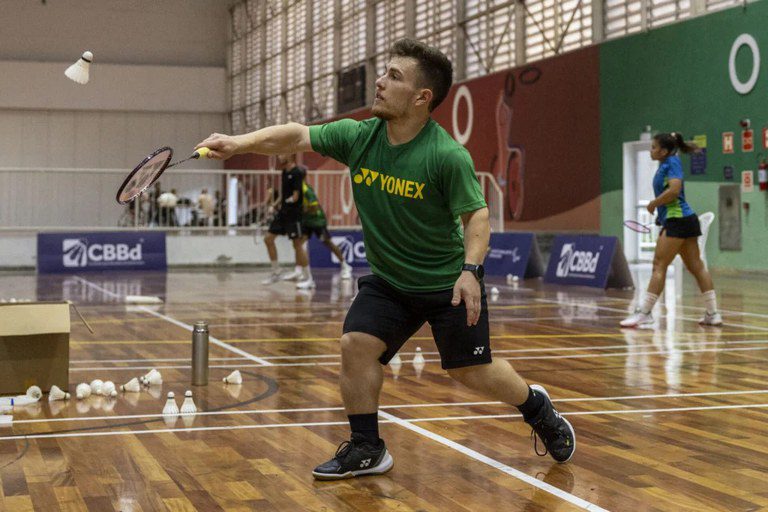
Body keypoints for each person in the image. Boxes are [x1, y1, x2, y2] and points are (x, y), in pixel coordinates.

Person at [196, 38, 575, 480]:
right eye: (384, 72)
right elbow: (298, 134)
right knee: (355, 346)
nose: (378, 81)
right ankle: (367, 447)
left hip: (446, 282)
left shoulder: (445, 156)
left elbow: (476, 214)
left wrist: (471, 272)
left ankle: (537, 408)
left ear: (421, 97)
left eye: (393, 76)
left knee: (472, 373)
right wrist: (238, 143)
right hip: (390, 282)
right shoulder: (360, 137)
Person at [621, 132, 722, 328]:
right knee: (696, 266)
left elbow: (675, 190)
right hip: (681, 220)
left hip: (679, 220)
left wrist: (653, 204)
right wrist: (661, 213)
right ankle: (713, 314)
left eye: (653, 147)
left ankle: (645, 313)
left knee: (659, 265)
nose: (651, 150)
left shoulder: (672, 163)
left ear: (664, 151)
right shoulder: (665, 164)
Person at [287, 168, 353, 289]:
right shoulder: (296, 188)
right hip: (307, 221)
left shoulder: (305, 189)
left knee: (327, 242)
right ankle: (300, 271)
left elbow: (314, 206)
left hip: (317, 221)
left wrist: (300, 211)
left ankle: (345, 266)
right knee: (299, 244)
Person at [260, 154, 310, 285]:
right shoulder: (283, 172)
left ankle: (308, 278)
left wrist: (288, 202)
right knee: (268, 239)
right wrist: (274, 205)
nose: (279, 156)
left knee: (297, 245)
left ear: (290, 154)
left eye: (282, 153)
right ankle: (276, 272)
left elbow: (295, 196)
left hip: (294, 214)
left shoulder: (297, 172)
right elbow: (283, 194)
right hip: (283, 213)